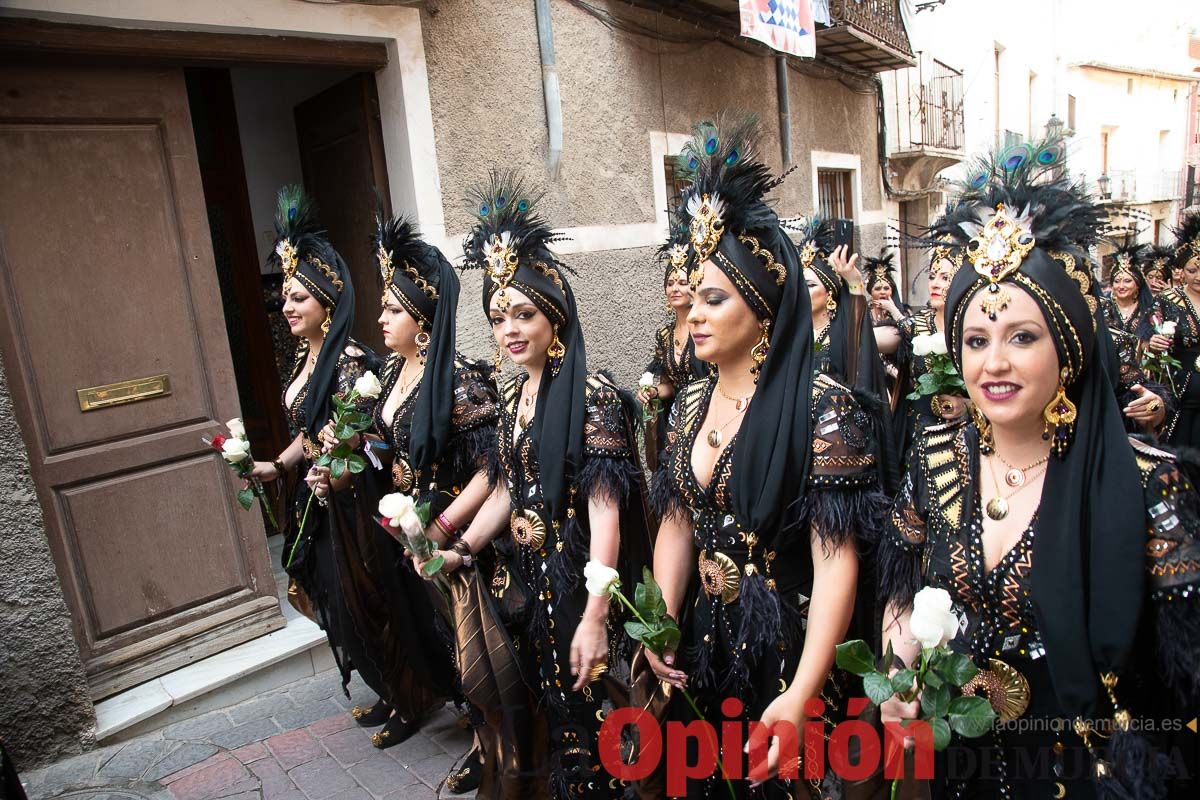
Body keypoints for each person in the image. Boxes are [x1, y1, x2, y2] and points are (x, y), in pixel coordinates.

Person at [877, 139, 1200, 798]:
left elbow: (1183, 684)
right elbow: (905, 591)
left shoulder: (1148, 484)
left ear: (1069, 348)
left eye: (1022, 336)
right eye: (976, 339)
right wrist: (897, 674)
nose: (993, 362)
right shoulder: (934, 456)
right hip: (963, 767)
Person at [647, 116, 887, 799]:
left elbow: (835, 561)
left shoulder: (823, 409)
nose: (694, 314)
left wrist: (803, 692)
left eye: (714, 299)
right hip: (704, 643)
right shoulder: (689, 403)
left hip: (789, 651)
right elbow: (677, 522)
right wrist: (661, 621)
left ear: (760, 308)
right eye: (692, 297)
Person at [430, 170, 653, 800]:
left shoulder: (594, 399)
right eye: (498, 317)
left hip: (578, 587)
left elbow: (606, 518)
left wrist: (597, 615)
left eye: (524, 314)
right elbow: (508, 489)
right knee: (550, 723)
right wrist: (463, 547)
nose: (509, 329)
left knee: (594, 732)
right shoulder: (512, 396)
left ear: (554, 315)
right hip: (527, 589)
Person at [247, 186, 380, 695]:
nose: (285, 307)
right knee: (334, 600)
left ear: (327, 304)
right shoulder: (306, 359)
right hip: (316, 498)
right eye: (284, 297)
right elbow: (308, 433)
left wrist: (332, 473)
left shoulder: (350, 364)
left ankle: (404, 698)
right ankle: (385, 691)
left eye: (298, 298)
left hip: (347, 503)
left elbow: (360, 443)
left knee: (361, 598)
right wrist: (277, 465)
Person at [639, 229, 709, 470]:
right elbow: (670, 385)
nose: (675, 289)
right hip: (676, 420)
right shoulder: (664, 335)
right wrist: (652, 392)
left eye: (682, 282)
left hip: (705, 413)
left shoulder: (706, 327)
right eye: (670, 283)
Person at [1098, 240, 1170, 436]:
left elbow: (1162, 343)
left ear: (1138, 284)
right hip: (1108, 377)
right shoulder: (1102, 308)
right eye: (1117, 281)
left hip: (1141, 378)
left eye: (1127, 281)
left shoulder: (1151, 310)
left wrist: (1153, 345)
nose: (1121, 286)